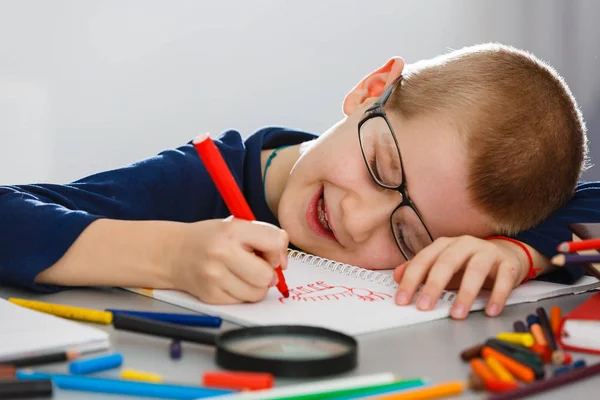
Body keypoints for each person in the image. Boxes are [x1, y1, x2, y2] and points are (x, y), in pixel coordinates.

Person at [0, 43, 593, 320]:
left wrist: (520, 252)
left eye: (409, 238)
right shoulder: (200, 179)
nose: (358, 220)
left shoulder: (467, 211)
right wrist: (168, 254)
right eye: (383, 167)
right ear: (369, 91)